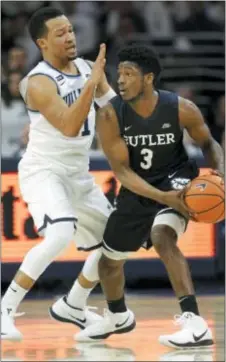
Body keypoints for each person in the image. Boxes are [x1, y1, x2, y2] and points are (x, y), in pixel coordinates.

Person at [74, 44, 224, 348]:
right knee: (108, 262)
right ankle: (117, 315)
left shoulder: (181, 107)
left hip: (177, 179)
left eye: (130, 74)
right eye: (120, 74)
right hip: (137, 187)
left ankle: (194, 322)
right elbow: (123, 173)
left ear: (149, 78)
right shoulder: (109, 115)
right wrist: (160, 197)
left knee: (162, 237)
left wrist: (220, 173)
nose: (121, 81)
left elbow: (210, 144)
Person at [1, 7, 116, 341]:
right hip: (44, 170)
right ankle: (5, 309)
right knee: (60, 234)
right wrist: (91, 85)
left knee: (116, 242)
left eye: (71, 30)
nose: (70, 37)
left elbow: (112, 108)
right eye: (60, 33)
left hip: (78, 172)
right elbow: (68, 125)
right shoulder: (35, 82)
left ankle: (74, 304)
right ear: (42, 42)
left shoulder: (85, 66)